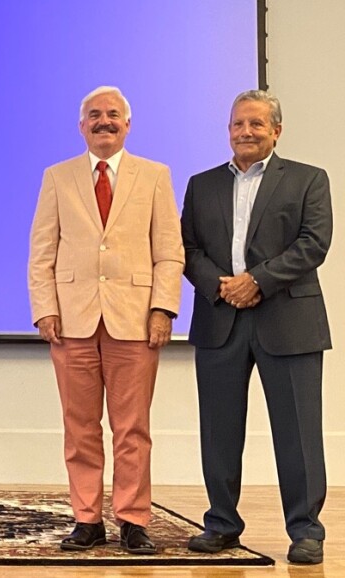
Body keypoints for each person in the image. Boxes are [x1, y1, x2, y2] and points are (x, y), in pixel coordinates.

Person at [27, 86, 183, 554]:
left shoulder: (155, 176)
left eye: (113, 114)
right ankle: (87, 519)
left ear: (128, 124)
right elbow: (42, 253)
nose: (104, 121)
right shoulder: (57, 176)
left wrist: (162, 308)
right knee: (80, 427)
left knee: (132, 427)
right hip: (71, 321)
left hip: (135, 321)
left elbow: (169, 252)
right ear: (82, 126)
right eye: (94, 115)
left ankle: (134, 520)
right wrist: (45, 309)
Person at [182, 90, 331, 565]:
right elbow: (186, 248)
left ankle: (306, 531)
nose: (245, 132)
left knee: (298, 433)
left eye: (256, 125)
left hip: (288, 320)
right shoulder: (200, 184)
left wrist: (258, 282)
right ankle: (222, 525)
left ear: (276, 131)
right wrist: (222, 286)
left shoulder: (309, 179)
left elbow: (314, 243)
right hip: (220, 319)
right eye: (237, 124)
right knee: (219, 431)